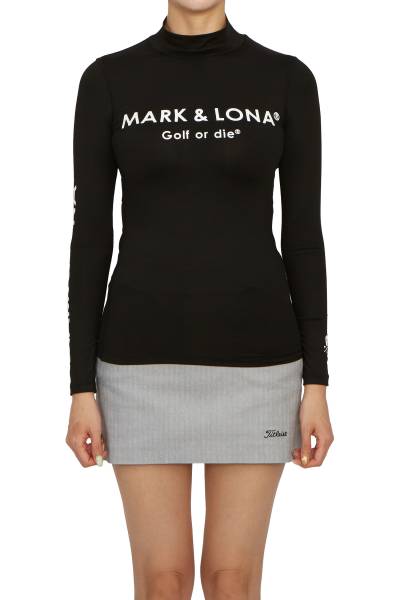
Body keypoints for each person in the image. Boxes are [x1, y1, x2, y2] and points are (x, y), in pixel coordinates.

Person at [66, 1, 334, 598]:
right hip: (137, 363)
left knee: (231, 581)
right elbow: (90, 239)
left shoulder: (286, 79)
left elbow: (304, 236)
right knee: (162, 582)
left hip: (260, 363)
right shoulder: (108, 79)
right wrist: (81, 386)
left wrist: (316, 382)